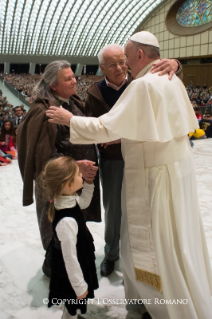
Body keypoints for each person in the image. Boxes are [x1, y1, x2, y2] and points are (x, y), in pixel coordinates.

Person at [46, 31, 212, 319]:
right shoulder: (171, 78)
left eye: (126, 58)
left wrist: (70, 119)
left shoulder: (144, 84)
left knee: (156, 243)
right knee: (175, 238)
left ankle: (164, 305)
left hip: (152, 177)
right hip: (175, 170)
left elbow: (108, 127)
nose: (124, 66)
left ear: (138, 55)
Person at [85, 43, 182, 277]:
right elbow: (93, 126)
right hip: (113, 160)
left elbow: (171, 77)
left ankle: (142, 257)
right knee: (114, 209)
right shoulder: (94, 93)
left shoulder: (140, 82)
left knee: (146, 207)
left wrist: (177, 64)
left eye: (122, 61)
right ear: (101, 68)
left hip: (143, 154)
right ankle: (111, 254)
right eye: (112, 64)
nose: (119, 68)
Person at [17, 60, 101, 278]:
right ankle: (53, 268)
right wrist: (75, 166)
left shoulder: (73, 102)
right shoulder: (43, 110)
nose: (74, 80)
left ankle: (64, 264)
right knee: (58, 228)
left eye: (74, 76)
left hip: (77, 183)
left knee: (72, 227)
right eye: (68, 78)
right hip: (59, 186)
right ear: (53, 85)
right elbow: (42, 155)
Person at [38, 157, 98, 319]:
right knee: (73, 301)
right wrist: (79, 285)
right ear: (69, 185)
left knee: (73, 304)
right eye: (79, 175)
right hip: (72, 273)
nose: (82, 176)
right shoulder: (67, 222)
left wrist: (89, 183)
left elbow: (83, 202)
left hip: (78, 264)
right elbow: (70, 258)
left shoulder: (68, 200)